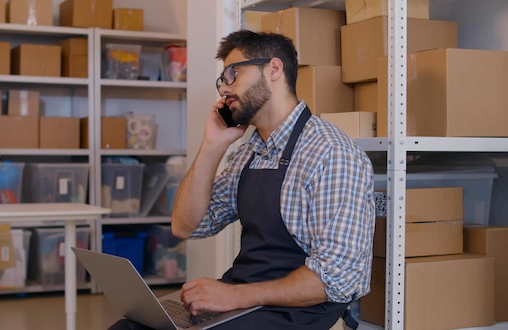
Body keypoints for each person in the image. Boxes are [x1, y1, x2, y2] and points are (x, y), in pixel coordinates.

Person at [110, 30, 375, 330]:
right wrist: (212, 146)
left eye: (233, 74)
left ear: (274, 69)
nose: (224, 88)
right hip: (245, 298)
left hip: (299, 311)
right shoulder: (250, 151)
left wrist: (233, 296)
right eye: (222, 79)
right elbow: (186, 225)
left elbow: (336, 279)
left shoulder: (330, 153)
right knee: (130, 327)